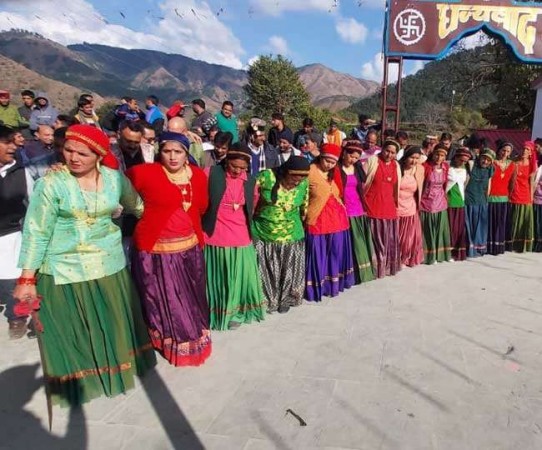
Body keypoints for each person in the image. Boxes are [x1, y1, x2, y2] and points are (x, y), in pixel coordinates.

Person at [14, 124, 155, 406]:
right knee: (74, 331)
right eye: (68, 150)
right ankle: (86, 381)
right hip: (65, 268)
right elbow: (36, 231)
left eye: (83, 153)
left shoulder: (115, 180)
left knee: (110, 325)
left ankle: (113, 374)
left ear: (99, 155)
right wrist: (27, 278)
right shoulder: (52, 183)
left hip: (109, 265)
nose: (74, 158)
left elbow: (138, 206)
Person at [127, 133, 211, 366]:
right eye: (167, 151)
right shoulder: (143, 173)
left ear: (187, 154)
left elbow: (202, 207)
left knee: (191, 297)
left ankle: (193, 338)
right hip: (156, 250)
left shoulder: (198, 178)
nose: (172, 157)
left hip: (190, 247)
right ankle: (175, 342)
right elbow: (116, 190)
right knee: (165, 300)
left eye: (178, 152)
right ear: (159, 152)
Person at [202, 142, 265, 330]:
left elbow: (253, 203)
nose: (237, 171)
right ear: (226, 161)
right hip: (216, 232)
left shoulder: (251, 180)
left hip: (241, 232)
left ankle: (236, 310)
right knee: (221, 275)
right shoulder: (210, 174)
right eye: (233, 166)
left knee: (240, 275)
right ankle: (219, 311)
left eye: (242, 168)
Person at [253, 156, 310, 313]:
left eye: (301, 179)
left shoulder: (303, 182)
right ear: (285, 172)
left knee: (289, 270)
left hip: (292, 234)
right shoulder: (266, 177)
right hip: (264, 233)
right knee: (267, 270)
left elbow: (304, 205)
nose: (296, 183)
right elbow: (251, 199)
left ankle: (286, 299)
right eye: (293, 178)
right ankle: (268, 300)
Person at [305, 144, 354, 301]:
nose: (330, 165)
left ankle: (333, 285)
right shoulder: (309, 171)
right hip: (317, 220)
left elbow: (339, 193)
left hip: (337, 220)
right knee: (318, 253)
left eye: (333, 163)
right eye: (327, 161)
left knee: (335, 253)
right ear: (321, 157)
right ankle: (316, 287)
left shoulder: (335, 172)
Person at [0, 125, 34, 339]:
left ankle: (16, 317)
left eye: (13, 142)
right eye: (6, 142)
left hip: (12, 234)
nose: (13, 147)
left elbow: (33, 203)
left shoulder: (22, 173)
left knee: (14, 279)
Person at [363, 140, 402, 278]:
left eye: (393, 152)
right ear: (382, 149)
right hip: (372, 207)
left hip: (389, 207)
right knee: (376, 240)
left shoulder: (396, 165)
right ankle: (375, 269)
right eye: (387, 151)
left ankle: (387, 267)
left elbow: (396, 186)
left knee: (388, 240)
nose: (389, 154)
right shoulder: (372, 161)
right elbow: (362, 181)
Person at [339, 140, 375, 283]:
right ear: (344, 153)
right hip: (344, 210)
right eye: (351, 156)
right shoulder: (336, 169)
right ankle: (349, 274)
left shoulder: (357, 168)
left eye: (356, 157)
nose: (353, 160)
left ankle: (363, 273)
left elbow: (361, 188)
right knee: (348, 244)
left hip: (358, 209)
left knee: (359, 242)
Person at [420, 144, 452, 264]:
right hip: (427, 201)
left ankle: (441, 254)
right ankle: (428, 256)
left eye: (442, 155)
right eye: (437, 154)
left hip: (440, 201)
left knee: (440, 228)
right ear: (432, 154)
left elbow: (445, 184)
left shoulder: (445, 167)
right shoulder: (425, 167)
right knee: (428, 228)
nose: (439, 157)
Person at [398, 146, 425, 267]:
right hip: (397, 207)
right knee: (397, 236)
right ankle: (396, 258)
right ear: (405, 157)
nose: (414, 161)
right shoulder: (397, 167)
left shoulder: (419, 169)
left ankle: (406, 257)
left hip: (411, 207)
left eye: (417, 158)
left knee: (408, 238)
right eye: (412, 157)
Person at [465, 149, 494, 257]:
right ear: (480, 157)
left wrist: (486, 200)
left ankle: (478, 248)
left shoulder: (490, 169)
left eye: (488, 160)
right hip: (469, 201)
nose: (485, 161)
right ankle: (468, 248)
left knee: (479, 227)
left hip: (481, 201)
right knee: (469, 226)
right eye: (484, 158)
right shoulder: (472, 165)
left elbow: (488, 185)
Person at [488, 142, 516, 255]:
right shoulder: (492, 163)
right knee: (491, 223)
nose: (505, 153)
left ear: (510, 153)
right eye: (503, 150)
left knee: (501, 224)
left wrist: (509, 196)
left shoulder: (513, 165)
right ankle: (490, 246)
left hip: (504, 199)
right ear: (499, 150)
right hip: (491, 198)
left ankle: (499, 246)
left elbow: (512, 183)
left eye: (508, 151)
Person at [509, 141, 537, 253]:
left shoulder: (531, 165)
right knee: (514, 219)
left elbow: (532, 183)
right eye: (524, 148)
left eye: (527, 149)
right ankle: (511, 243)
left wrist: (531, 198)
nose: (525, 151)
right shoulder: (515, 163)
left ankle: (522, 245)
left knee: (523, 221)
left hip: (525, 196)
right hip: (514, 194)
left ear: (531, 153)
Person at [446, 147, 470, 261]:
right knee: (449, 228)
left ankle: (455, 252)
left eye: (465, 161)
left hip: (459, 203)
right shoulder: (447, 168)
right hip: (448, 203)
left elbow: (463, 186)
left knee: (457, 230)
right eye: (461, 160)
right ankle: (446, 252)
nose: (463, 163)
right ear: (455, 158)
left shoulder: (465, 171)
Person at [533, 160, 542, 252]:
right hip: (538, 200)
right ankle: (538, 245)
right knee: (538, 223)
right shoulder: (540, 169)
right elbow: (534, 184)